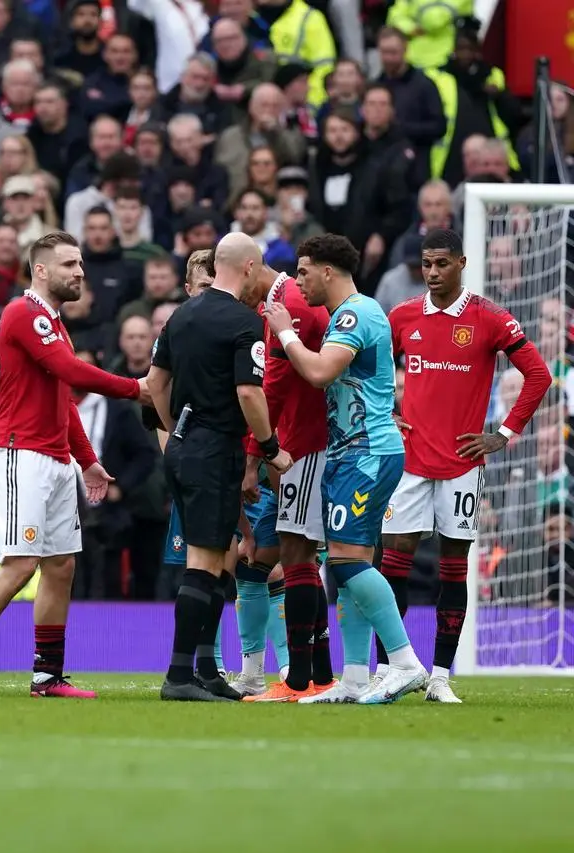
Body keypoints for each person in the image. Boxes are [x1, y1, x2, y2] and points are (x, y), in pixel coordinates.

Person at [0, 231, 150, 700]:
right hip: (20, 456)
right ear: (42, 270)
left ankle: (46, 675)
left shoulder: (52, 321)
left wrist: (87, 460)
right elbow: (73, 373)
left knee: (61, 566)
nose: (80, 273)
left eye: (81, 265)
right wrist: (137, 387)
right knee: (21, 564)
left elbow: (64, 397)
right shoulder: (23, 312)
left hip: (54, 459)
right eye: (70, 264)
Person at [380, 228, 551, 702]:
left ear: (462, 263)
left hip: (462, 464)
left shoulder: (489, 318)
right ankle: (390, 668)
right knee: (393, 565)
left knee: (453, 569)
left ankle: (439, 676)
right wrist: (383, 414)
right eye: (426, 264)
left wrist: (503, 433)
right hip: (409, 463)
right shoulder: (403, 315)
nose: (432, 273)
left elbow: (539, 375)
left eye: (441, 264)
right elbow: (365, 367)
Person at [265, 233, 428, 704]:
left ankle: (403, 662)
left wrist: (285, 331)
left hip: (367, 454)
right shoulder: (348, 315)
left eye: (302, 272)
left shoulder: (357, 312)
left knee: (343, 560)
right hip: (349, 453)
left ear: (327, 271)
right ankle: (355, 678)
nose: (298, 282)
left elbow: (318, 372)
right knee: (348, 561)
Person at [146, 232, 293, 702]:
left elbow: (154, 382)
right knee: (207, 563)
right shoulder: (243, 321)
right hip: (215, 448)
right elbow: (250, 393)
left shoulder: (179, 316)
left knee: (214, 557)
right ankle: (179, 676)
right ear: (250, 268)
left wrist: (177, 428)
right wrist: (270, 448)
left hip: (185, 446)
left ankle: (204, 673)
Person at [235, 263, 337, 701]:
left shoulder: (289, 305)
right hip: (306, 441)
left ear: (248, 269)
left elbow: (271, 390)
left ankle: (297, 680)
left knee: (297, 553)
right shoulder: (284, 302)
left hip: (303, 444)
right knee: (303, 555)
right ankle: (320, 673)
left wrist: (254, 457)